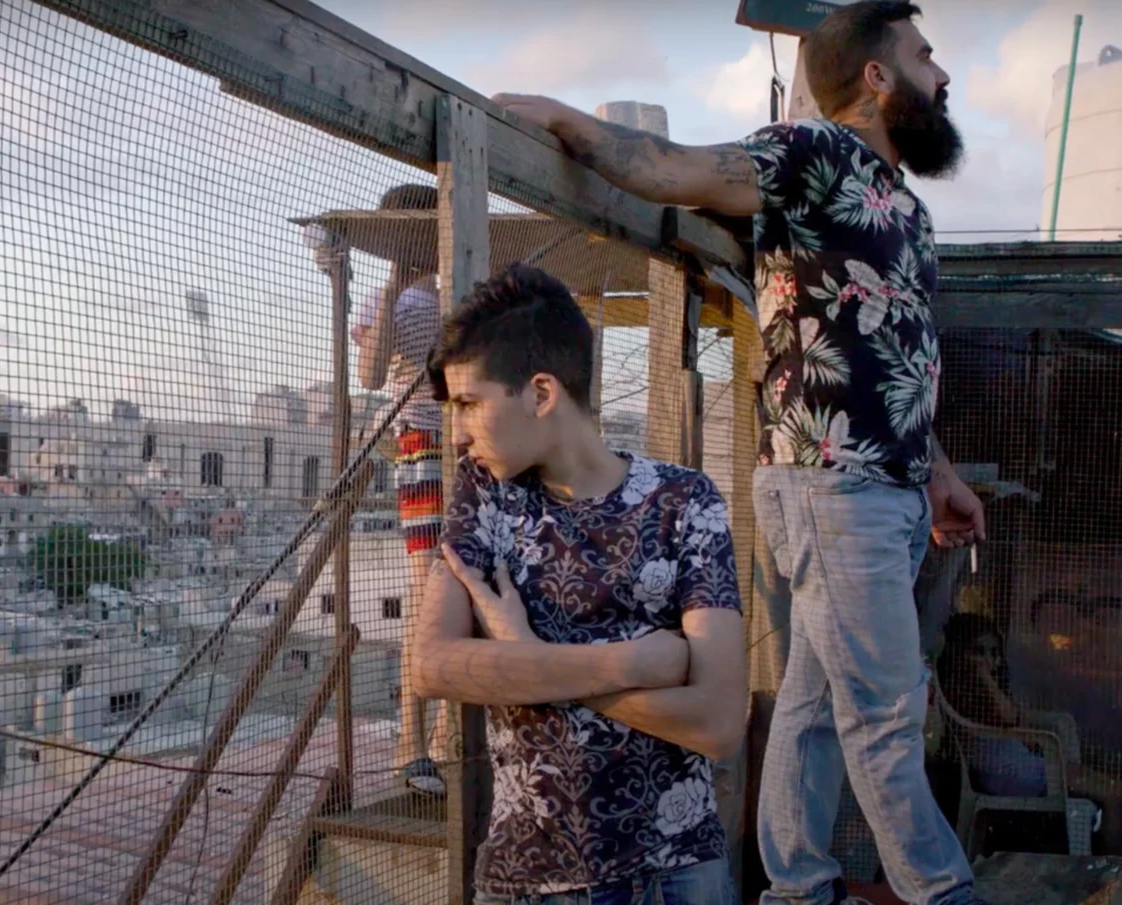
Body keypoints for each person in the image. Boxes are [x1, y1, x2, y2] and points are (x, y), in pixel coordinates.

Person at [492, 3, 989, 904]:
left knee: (813, 704)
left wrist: (940, 474)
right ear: (876, 77)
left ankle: (795, 885)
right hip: (830, 485)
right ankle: (941, 890)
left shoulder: (904, 210)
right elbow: (676, 169)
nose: (942, 73)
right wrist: (567, 119)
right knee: (884, 710)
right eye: (924, 56)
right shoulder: (812, 153)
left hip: (888, 489)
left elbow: (893, 361)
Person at [413, 263, 745, 905]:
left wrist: (525, 653)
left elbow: (719, 721)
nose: (457, 433)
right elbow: (432, 665)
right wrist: (633, 663)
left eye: (469, 403)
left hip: (676, 875)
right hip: (527, 879)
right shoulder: (486, 493)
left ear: (541, 393)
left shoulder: (684, 501)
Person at [351, 182, 448, 795]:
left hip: (468, 447)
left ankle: (439, 739)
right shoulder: (388, 298)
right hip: (422, 445)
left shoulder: (459, 290)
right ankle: (412, 742)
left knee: (460, 582)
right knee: (428, 587)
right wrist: (392, 282)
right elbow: (368, 372)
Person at [937, 613, 1122, 849]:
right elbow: (1009, 717)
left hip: (1024, 764)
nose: (988, 660)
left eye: (993, 653)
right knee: (1112, 795)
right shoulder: (959, 689)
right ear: (961, 654)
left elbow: (1016, 720)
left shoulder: (981, 689)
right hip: (1011, 774)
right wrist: (984, 675)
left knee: (1113, 789)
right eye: (978, 652)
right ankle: (1109, 860)